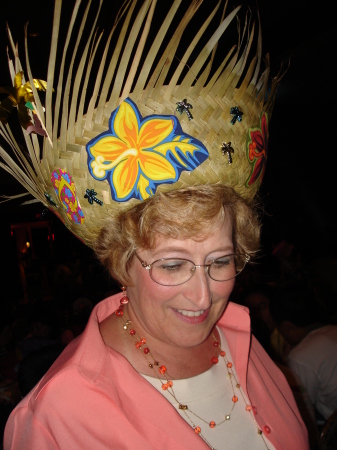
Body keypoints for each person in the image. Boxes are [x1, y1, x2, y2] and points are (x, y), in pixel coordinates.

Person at [1, 0, 309, 448]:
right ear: (122, 265)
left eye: (220, 261)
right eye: (171, 265)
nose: (204, 296)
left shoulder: (243, 343)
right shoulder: (57, 416)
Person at [270, 285, 337, 424]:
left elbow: (304, 413)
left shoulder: (299, 357)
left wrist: (287, 367)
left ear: (288, 327)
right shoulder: (333, 330)